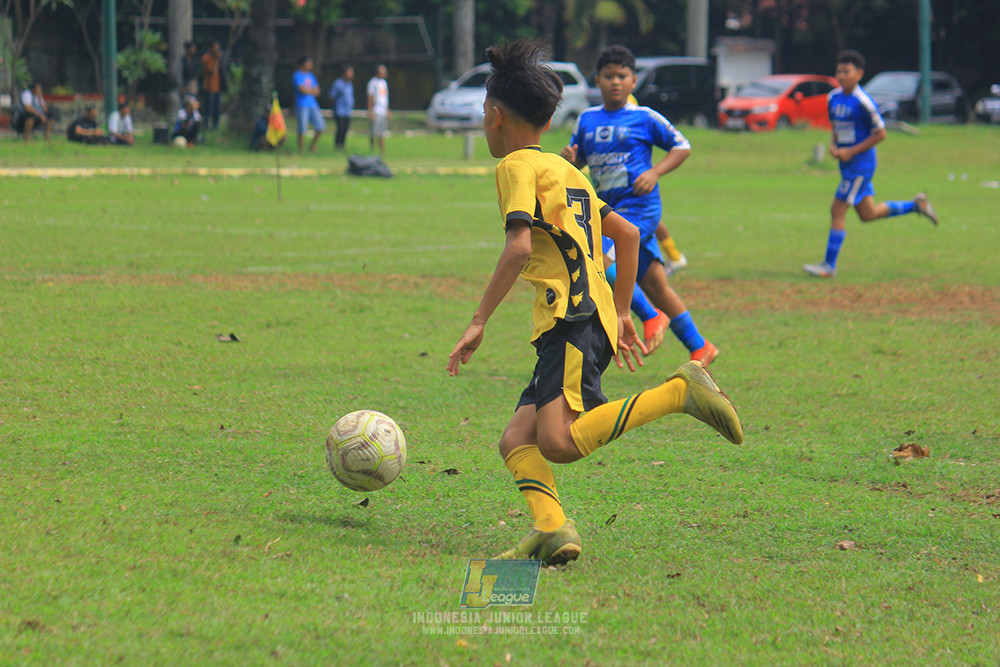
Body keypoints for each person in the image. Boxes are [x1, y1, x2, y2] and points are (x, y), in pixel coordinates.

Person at [447, 39, 743, 566]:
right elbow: (627, 234)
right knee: (518, 437)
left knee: (557, 442)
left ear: (495, 116)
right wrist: (623, 311)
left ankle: (679, 393)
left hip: (570, 319)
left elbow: (518, 246)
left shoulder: (516, 167)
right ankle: (551, 529)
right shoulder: (565, 170)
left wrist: (477, 321)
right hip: (592, 317)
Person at [562, 45, 717, 364]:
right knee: (656, 285)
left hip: (640, 210)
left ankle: (649, 316)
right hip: (607, 211)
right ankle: (701, 346)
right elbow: (579, 162)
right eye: (608, 76)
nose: (615, 82)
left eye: (622, 76)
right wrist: (569, 162)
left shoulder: (644, 117)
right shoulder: (587, 120)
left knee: (597, 261)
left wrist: (654, 171)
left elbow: (682, 146)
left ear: (633, 81)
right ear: (597, 80)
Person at [803, 49, 939, 278]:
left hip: (861, 164)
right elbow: (836, 127)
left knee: (837, 209)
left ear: (859, 74)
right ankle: (917, 205)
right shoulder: (833, 97)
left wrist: (851, 151)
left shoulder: (863, 101)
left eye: (847, 71)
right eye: (839, 71)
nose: (842, 75)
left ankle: (829, 266)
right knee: (868, 213)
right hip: (847, 163)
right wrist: (834, 145)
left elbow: (881, 133)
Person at [293, 56, 324, 152]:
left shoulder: (311, 76)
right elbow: (302, 90)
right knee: (302, 128)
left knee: (321, 126)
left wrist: (308, 90)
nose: (311, 65)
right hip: (302, 105)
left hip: (313, 104)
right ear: (303, 64)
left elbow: (317, 91)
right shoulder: (297, 75)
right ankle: (301, 149)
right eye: (309, 63)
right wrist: (311, 91)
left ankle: (312, 145)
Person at [328, 64, 355, 150]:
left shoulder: (350, 84)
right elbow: (332, 96)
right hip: (339, 111)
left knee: (345, 130)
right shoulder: (338, 83)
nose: (351, 73)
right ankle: (337, 145)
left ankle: (342, 146)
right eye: (350, 71)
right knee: (340, 129)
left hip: (347, 111)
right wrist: (333, 108)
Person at [366, 64, 390, 154]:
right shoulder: (373, 83)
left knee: (382, 132)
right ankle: (372, 149)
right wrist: (370, 111)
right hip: (376, 110)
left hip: (383, 111)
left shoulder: (384, 83)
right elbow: (370, 97)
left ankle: (382, 150)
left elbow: (385, 98)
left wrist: (388, 110)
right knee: (374, 132)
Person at [201, 41, 223, 130]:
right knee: (208, 108)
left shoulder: (219, 59)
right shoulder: (206, 58)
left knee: (217, 109)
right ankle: (206, 126)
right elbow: (212, 72)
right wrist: (217, 60)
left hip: (218, 87)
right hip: (209, 87)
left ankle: (215, 126)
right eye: (215, 48)